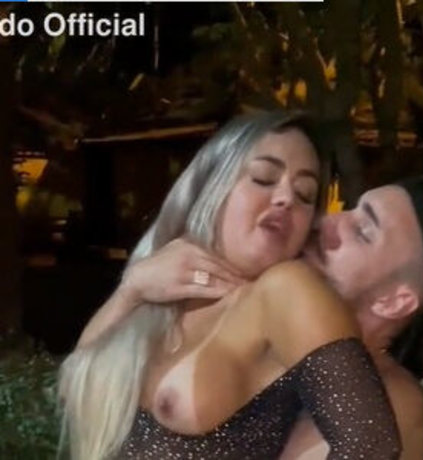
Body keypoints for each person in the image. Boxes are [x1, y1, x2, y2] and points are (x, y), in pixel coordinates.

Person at [58, 111, 401, 460]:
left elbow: (371, 445)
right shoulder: (159, 289)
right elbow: (75, 389)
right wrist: (131, 290)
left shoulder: (287, 291)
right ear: (213, 185)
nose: (286, 198)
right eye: (264, 178)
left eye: (305, 194)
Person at [124, 176, 423, 459]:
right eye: (348, 209)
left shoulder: (393, 403)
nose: (326, 222)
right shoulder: (254, 319)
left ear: (394, 302)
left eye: (362, 231)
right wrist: (132, 290)